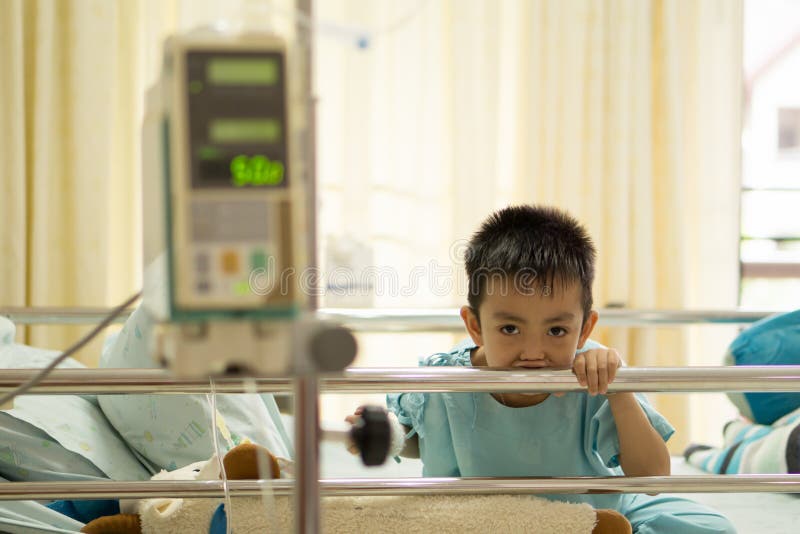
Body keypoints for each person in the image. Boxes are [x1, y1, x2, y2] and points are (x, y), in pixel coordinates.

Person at [348, 205, 735, 534]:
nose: (534, 352)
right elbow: (418, 441)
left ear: (584, 328)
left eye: (556, 330)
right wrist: (380, 434)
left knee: (711, 527)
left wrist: (619, 391)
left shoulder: (594, 372)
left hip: (596, 518)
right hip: (479, 520)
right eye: (510, 329)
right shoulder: (448, 379)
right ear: (475, 326)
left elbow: (653, 477)